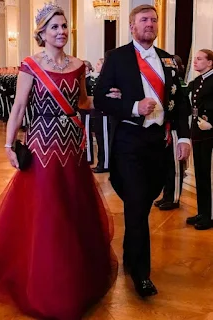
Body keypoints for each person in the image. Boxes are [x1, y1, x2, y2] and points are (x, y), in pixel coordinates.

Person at [0, 4, 117, 320]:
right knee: (48, 213)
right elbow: (19, 107)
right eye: (54, 27)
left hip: (71, 144)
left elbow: (82, 102)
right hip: (42, 144)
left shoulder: (79, 65)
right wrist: (7, 143)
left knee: (72, 210)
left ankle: (76, 275)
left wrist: (111, 99)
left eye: (64, 26)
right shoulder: (30, 65)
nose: (61, 31)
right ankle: (48, 282)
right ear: (41, 33)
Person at [94, 4, 190, 297]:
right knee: (136, 205)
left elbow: (181, 102)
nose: (150, 24)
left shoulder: (168, 60)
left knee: (142, 206)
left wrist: (183, 137)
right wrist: (133, 107)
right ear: (132, 26)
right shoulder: (117, 58)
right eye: (144, 20)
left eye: (154, 20)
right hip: (129, 144)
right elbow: (99, 99)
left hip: (159, 146)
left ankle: (130, 254)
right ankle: (141, 274)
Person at [154, 55, 189, 211]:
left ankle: (173, 197)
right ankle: (166, 195)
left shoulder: (178, 82)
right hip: (163, 127)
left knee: (174, 166)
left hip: (174, 126)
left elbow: (184, 106)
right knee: (165, 165)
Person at [186, 49, 213, 230]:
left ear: (210, 62)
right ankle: (203, 212)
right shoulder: (197, 81)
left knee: (208, 175)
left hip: (210, 131)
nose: (195, 62)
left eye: (200, 59)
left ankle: (209, 215)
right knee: (201, 174)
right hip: (198, 131)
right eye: (194, 59)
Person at [91, 58, 110, 173]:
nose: (96, 66)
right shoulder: (97, 79)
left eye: (99, 64)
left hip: (103, 114)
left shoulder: (105, 80)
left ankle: (105, 164)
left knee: (104, 140)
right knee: (99, 139)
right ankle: (101, 162)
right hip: (97, 113)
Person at [80, 60, 95, 164]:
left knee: (87, 133)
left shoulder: (91, 80)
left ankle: (89, 157)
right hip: (81, 110)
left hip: (87, 110)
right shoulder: (83, 79)